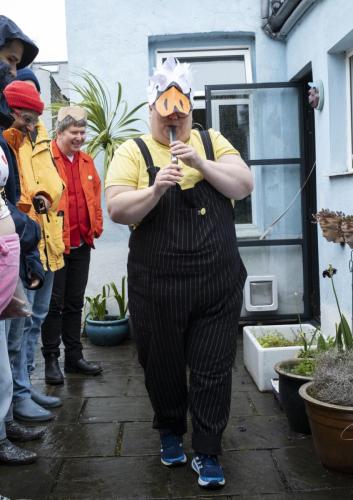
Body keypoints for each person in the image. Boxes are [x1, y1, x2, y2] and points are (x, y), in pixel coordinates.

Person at [105, 57, 253, 489]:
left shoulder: (211, 140)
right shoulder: (131, 151)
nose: (175, 120)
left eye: (182, 114)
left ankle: (207, 451)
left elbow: (243, 185)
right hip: (158, 285)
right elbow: (116, 208)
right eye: (166, 113)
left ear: (190, 110)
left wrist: (201, 164)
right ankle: (170, 430)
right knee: (162, 365)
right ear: (151, 109)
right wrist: (155, 189)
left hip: (216, 283)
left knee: (212, 367)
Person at [3, 79, 64, 421]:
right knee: (21, 324)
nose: (31, 126)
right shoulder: (12, 142)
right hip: (23, 241)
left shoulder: (35, 137)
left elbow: (52, 185)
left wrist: (45, 195)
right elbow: (15, 193)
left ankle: (26, 387)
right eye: (26, 117)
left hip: (44, 237)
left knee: (35, 320)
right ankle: (19, 396)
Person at [0, 15, 44, 465]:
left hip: (13, 253)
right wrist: (27, 228)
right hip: (13, 247)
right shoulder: (10, 140)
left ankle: (8, 415)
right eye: (9, 61)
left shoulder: (19, 142)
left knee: (14, 340)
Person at [41, 106, 103, 384]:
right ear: (59, 132)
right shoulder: (47, 160)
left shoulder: (87, 161)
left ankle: (74, 358)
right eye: (73, 132)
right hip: (55, 245)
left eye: (82, 132)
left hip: (82, 243)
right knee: (54, 305)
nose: (79, 137)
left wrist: (96, 226)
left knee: (75, 303)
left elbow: (94, 197)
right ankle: (51, 360)